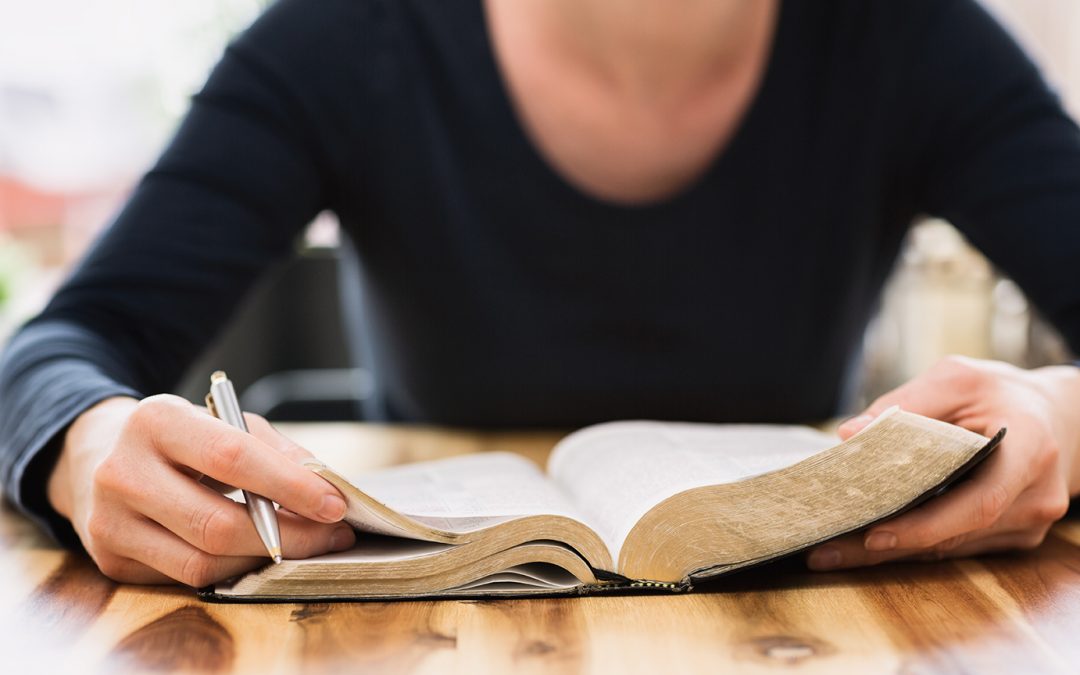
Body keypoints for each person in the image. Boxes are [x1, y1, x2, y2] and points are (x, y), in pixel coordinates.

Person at [1, 0, 1079, 587]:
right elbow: (67, 342)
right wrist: (86, 448)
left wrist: (1062, 420)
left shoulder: (919, 39)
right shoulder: (335, 40)